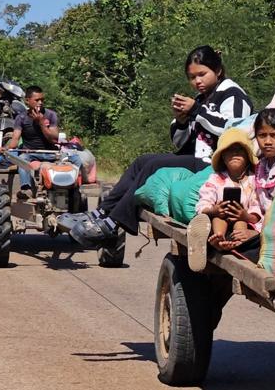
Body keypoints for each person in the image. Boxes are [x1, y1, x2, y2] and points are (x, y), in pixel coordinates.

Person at [64, 46, 253, 246]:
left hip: (217, 163)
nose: (197, 81)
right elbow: (180, 141)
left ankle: (113, 223)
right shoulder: (201, 98)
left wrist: (196, 110)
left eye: (202, 74)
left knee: (154, 166)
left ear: (218, 71)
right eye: (192, 77)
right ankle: (101, 213)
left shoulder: (232, 96)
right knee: (142, 161)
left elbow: (233, 131)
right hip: (197, 158)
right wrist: (181, 121)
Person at [187, 128, 263, 271]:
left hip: (243, 223)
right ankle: (218, 239)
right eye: (229, 150)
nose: (234, 154)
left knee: (240, 220)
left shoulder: (255, 181)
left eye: (239, 150)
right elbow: (204, 201)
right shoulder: (215, 179)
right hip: (219, 220)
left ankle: (237, 242)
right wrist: (213, 210)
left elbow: (257, 205)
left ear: (247, 155)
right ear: (222, 157)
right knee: (218, 216)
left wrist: (246, 215)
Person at [1, 86, 83, 189]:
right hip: (30, 153)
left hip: (51, 153)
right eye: (37, 100)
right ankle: (26, 188)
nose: (40, 103)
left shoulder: (51, 115)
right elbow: (15, 140)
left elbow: (54, 138)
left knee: (76, 159)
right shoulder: (21, 118)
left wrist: (41, 123)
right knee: (22, 160)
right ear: (27, 101)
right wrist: (5, 148)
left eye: (42, 100)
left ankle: (75, 184)